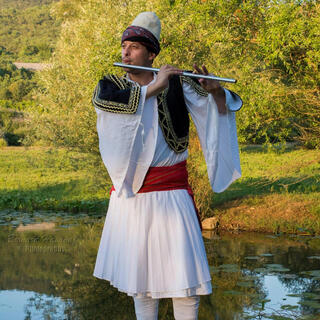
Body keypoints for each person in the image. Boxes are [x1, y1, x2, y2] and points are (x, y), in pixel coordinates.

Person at [92, 12, 242, 320]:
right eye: (124, 46)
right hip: (132, 199)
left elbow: (214, 109)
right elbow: (108, 109)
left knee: (184, 284)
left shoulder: (177, 84)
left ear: (151, 54)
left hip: (172, 196)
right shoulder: (111, 85)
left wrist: (215, 92)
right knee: (141, 286)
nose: (125, 53)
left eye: (133, 47)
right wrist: (155, 86)